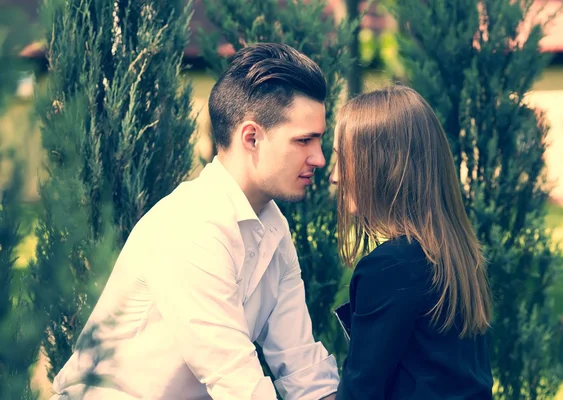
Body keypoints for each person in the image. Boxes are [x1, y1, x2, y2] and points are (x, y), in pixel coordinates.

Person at [50, 43, 339, 400]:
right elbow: (237, 382)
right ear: (251, 138)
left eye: (319, 140)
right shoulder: (191, 226)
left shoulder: (273, 229)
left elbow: (301, 366)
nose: (320, 158)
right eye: (304, 141)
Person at [329, 85, 494, 399]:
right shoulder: (454, 253)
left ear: (381, 165)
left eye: (344, 160)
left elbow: (361, 391)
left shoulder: (389, 267)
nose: (335, 177)